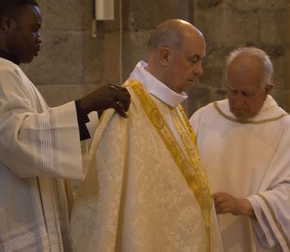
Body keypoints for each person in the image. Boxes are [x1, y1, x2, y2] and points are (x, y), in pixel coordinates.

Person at [0, 0, 130, 251]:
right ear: (7, 24)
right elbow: (18, 139)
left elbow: (38, 131)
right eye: (34, 28)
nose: (39, 39)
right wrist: (85, 104)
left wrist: (98, 119)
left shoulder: (0, 71)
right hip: (14, 230)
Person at [70, 19, 223, 251]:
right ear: (165, 56)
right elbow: (107, 207)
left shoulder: (172, 107)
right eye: (194, 60)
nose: (200, 70)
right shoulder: (125, 107)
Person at [190, 47, 290, 251]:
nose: (238, 102)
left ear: (267, 89)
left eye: (247, 94)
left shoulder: (283, 128)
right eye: (232, 91)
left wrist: (245, 205)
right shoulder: (204, 118)